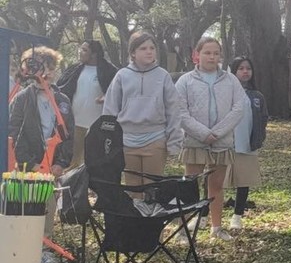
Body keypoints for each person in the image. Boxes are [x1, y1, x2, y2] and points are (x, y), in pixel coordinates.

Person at [176, 36, 246, 241]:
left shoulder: (231, 80)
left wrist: (218, 132)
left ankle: (216, 228)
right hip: (194, 141)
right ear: (197, 55)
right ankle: (183, 231)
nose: (211, 57)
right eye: (207, 52)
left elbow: (238, 108)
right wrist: (203, 133)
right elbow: (180, 112)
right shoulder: (185, 81)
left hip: (221, 142)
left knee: (216, 185)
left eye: (216, 53)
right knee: (190, 186)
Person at [8, 47, 74, 261]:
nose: (47, 72)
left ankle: (44, 247)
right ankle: (23, 248)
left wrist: (61, 163)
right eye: (41, 67)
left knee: (48, 205)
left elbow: (68, 134)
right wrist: (29, 163)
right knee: (26, 206)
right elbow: (15, 133)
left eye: (51, 67)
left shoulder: (62, 100)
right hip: (29, 166)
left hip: (52, 165)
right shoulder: (22, 98)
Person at [101, 31, 183, 185]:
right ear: (133, 53)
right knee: (133, 189)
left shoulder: (163, 76)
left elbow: (173, 111)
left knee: (152, 188)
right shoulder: (122, 75)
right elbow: (109, 111)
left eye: (152, 48)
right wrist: (108, 141)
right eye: (143, 48)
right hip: (126, 141)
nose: (149, 51)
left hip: (155, 139)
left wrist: (174, 142)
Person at [56, 40, 117, 169]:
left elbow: (118, 91)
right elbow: (61, 88)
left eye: (84, 50)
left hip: (97, 125)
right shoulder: (74, 69)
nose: (80, 52)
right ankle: (69, 181)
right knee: (72, 160)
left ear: (94, 54)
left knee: (91, 161)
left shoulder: (109, 71)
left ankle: (88, 181)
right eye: (80, 49)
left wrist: (107, 97)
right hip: (75, 123)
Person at [224, 56, 268, 232]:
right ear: (233, 71)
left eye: (248, 68)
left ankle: (237, 216)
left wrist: (259, 137)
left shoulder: (257, 96)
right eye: (241, 68)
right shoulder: (225, 93)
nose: (245, 72)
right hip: (226, 144)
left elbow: (263, 118)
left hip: (247, 145)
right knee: (214, 181)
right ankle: (204, 215)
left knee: (244, 181)